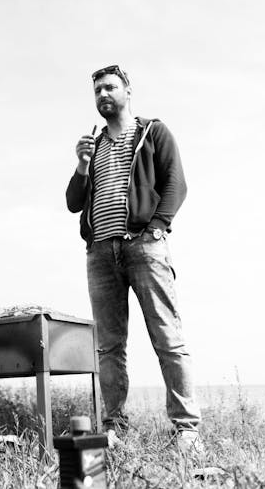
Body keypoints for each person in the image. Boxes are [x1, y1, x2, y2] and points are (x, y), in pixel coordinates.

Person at [65, 65, 202, 450]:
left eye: (110, 87)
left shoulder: (151, 132)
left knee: (167, 336)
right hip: (100, 253)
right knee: (109, 345)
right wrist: (81, 166)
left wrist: (157, 227)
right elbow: (73, 202)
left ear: (128, 91)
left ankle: (187, 430)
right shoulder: (93, 144)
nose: (103, 95)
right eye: (97, 91)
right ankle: (115, 427)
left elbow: (176, 182)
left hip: (144, 245)